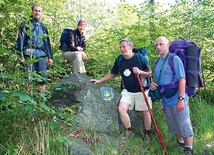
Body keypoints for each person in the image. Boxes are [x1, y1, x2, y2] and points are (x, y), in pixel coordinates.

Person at [90, 38, 152, 138]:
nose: (121, 49)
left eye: (124, 47)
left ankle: (147, 134)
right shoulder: (119, 59)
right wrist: (100, 80)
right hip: (127, 91)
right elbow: (112, 73)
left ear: (130, 47)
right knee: (121, 109)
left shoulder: (140, 58)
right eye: (120, 47)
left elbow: (149, 73)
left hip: (142, 90)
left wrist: (140, 72)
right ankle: (129, 131)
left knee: (145, 112)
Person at [150, 36, 194, 154]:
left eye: (161, 44)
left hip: (177, 97)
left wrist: (181, 99)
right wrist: (153, 85)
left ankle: (189, 149)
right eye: (156, 45)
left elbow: (182, 79)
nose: (158, 47)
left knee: (183, 123)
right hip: (166, 98)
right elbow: (155, 79)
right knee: (173, 124)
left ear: (167, 45)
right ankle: (180, 143)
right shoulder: (158, 61)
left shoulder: (174, 59)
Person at [17, 4, 53, 94]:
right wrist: (20, 55)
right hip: (29, 53)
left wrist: (50, 57)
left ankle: (42, 101)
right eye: (36, 10)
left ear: (41, 13)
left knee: (42, 78)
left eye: (39, 11)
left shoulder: (43, 27)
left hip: (41, 54)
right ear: (32, 11)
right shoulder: (25, 24)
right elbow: (20, 40)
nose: (37, 12)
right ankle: (30, 101)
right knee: (30, 79)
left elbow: (46, 42)